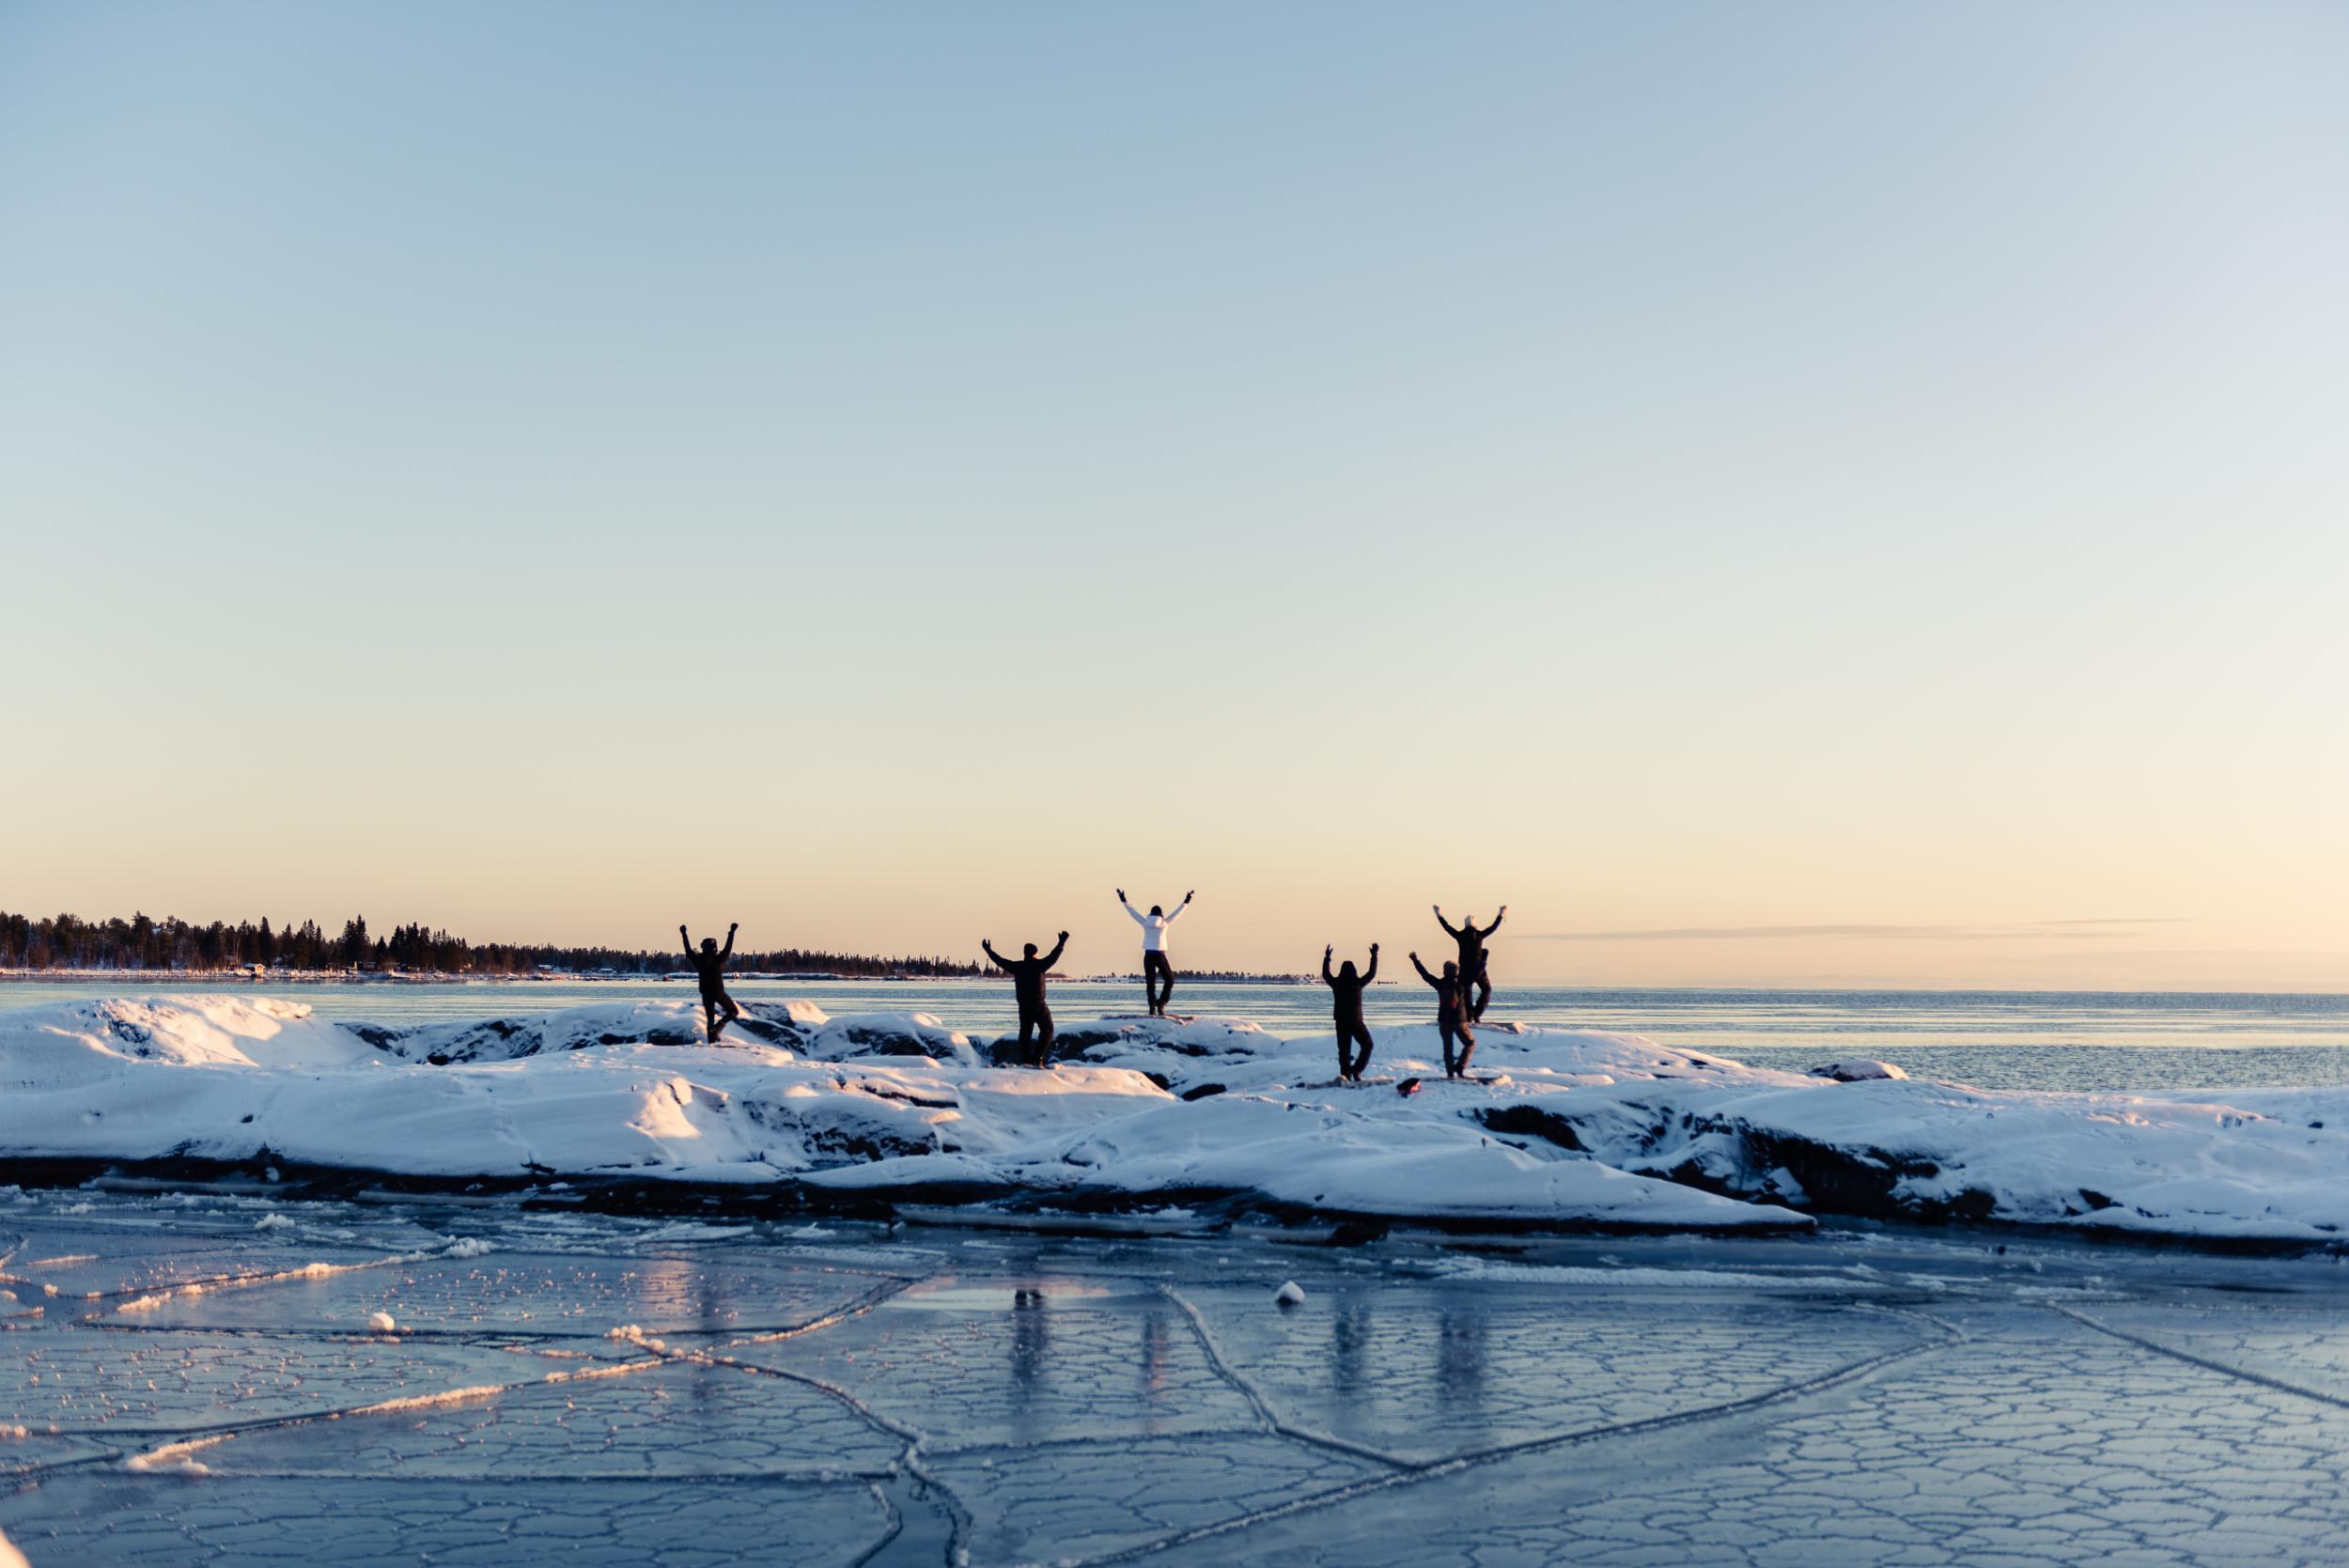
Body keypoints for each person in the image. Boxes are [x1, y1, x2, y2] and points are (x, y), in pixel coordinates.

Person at [983, 931, 1069, 1067]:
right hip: (1038, 1004)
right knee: (1047, 1029)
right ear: (1035, 953)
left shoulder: (1018, 966)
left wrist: (988, 950)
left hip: (1023, 1006)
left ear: (1024, 953)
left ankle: (1026, 1061)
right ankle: (1037, 1059)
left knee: (1025, 1033)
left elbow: (1000, 961)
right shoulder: (1039, 965)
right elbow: (1054, 956)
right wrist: (1062, 942)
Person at [1117, 888, 1192, 1017]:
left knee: (1150, 982)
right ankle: (1161, 1003)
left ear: (1151, 914)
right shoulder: (1164, 923)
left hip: (1148, 955)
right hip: (1160, 955)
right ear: (1161, 914)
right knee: (1169, 979)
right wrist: (1187, 900)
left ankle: (1152, 1007)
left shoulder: (1145, 923)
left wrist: (1123, 899)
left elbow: (1133, 913)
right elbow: (1177, 913)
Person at [1408, 950, 1476, 1079]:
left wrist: (1415, 960)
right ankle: (1460, 1067)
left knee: (1447, 1048)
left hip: (1444, 1021)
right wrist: (1482, 960)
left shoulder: (1440, 983)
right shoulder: (1462, 983)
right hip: (1459, 1021)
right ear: (1457, 971)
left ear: (1445, 971)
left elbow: (1425, 974)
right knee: (1470, 1043)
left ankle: (1450, 1073)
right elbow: (1475, 973)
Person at [1433, 905, 1505, 1021]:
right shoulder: (1480, 935)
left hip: (1464, 970)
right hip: (1479, 969)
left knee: (1466, 993)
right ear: (1475, 925)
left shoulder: (1460, 935)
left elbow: (1447, 927)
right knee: (1486, 989)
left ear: (1465, 925)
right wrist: (1501, 913)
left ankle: (1469, 1016)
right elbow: (1494, 927)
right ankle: (1476, 1014)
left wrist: (1438, 914)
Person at [1322, 942, 1378, 1082]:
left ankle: (1346, 1075)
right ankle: (1356, 1070)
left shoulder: (1336, 983)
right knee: (1368, 1045)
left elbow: (1326, 974)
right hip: (1355, 1021)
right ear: (1354, 970)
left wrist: (1327, 957)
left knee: (1344, 1051)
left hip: (1341, 1021)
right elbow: (1372, 973)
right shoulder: (1358, 983)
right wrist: (1374, 956)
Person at [679, 922, 739, 1042]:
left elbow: (688, 951)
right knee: (733, 1011)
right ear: (714, 948)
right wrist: (732, 932)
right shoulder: (718, 959)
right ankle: (718, 1028)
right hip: (718, 992)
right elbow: (728, 948)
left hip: (706, 994)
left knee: (710, 1019)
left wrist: (684, 934)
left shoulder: (698, 960)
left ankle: (712, 1042)